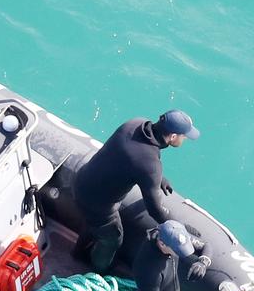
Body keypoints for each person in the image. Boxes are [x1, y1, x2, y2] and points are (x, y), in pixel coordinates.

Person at [74, 110, 200, 273]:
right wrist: (179, 229)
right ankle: (97, 272)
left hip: (82, 181)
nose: (185, 139)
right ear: (173, 136)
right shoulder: (150, 164)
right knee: (113, 238)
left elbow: (131, 156)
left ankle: (77, 253)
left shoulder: (134, 123)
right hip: (98, 204)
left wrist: (158, 178)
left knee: (93, 223)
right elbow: (154, 210)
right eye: (184, 136)